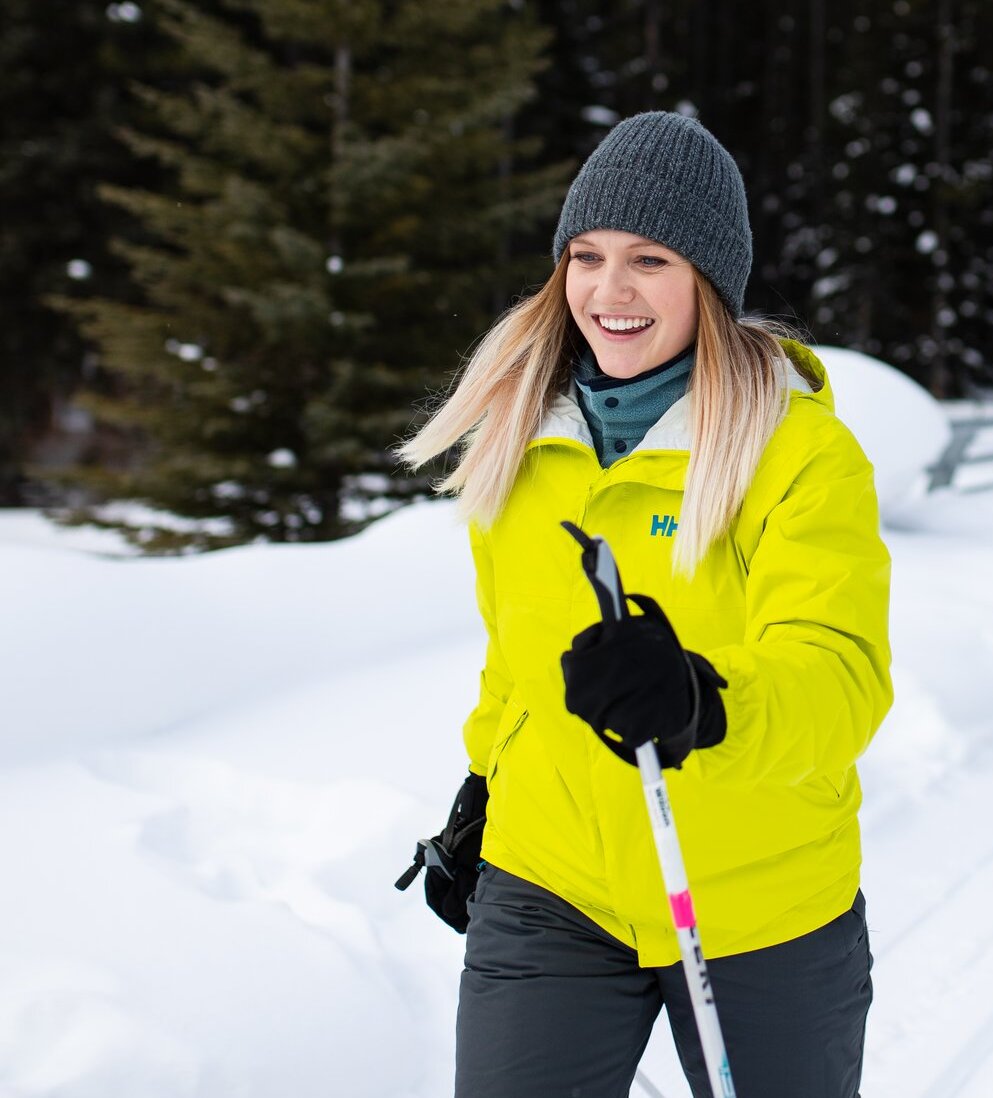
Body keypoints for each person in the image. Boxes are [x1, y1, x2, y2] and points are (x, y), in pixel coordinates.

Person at [395, 111, 890, 1098]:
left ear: (709, 278)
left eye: (649, 260)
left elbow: (841, 677)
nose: (608, 292)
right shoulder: (522, 438)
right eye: (586, 256)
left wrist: (704, 700)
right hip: (551, 883)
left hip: (757, 895)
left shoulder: (798, 453)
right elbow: (515, 662)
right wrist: (484, 793)